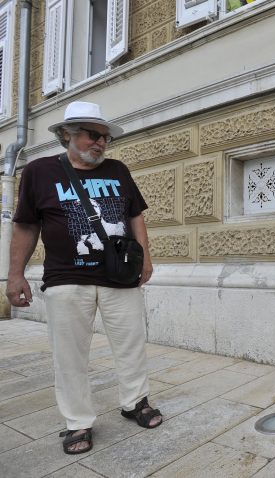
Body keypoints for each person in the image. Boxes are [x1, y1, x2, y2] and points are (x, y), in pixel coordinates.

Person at [6, 101, 163, 455]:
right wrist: (14, 275)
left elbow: (135, 215)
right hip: (66, 278)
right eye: (94, 135)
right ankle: (78, 422)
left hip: (119, 275)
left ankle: (134, 402)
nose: (101, 143)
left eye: (105, 137)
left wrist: (146, 258)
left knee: (131, 344)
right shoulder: (38, 172)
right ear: (67, 135)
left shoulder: (118, 170)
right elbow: (26, 225)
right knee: (70, 356)